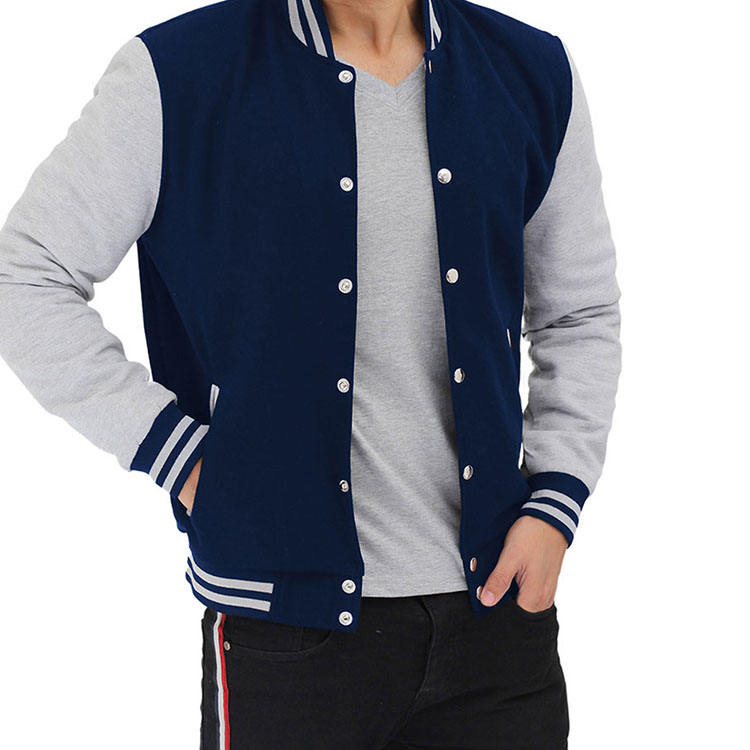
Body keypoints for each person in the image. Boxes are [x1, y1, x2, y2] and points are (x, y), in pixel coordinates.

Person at [0, 0, 621, 747]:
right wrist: (183, 458)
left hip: (498, 624)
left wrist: (554, 501)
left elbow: (578, 312)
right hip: (284, 632)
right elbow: (24, 276)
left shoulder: (530, 72)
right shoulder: (179, 72)